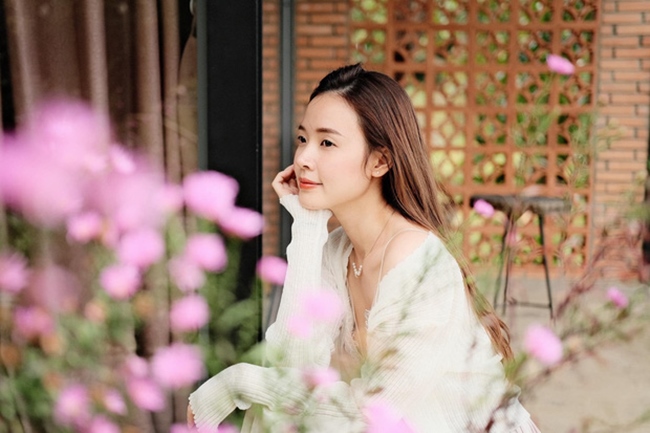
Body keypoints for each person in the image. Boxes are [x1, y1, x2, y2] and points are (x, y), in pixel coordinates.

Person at [187, 64, 541, 432]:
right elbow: (291, 367)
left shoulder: (418, 262)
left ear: (380, 161)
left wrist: (237, 382)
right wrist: (307, 226)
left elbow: (374, 410)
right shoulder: (338, 249)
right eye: (302, 139)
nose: (303, 158)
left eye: (327, 143)